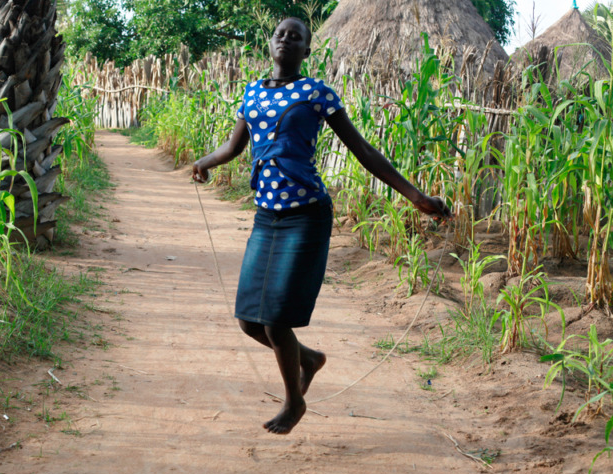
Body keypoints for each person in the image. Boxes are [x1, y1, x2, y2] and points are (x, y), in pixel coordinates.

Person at [192, 17, 451, 435]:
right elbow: (233, 146)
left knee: (276, 320)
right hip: (266, 216)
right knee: (248, 321)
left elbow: (363, 150)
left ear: (307, 50)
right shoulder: (253, 93)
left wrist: (416, 196)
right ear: (270, 43)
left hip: (306, 215)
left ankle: (294, 403)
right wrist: (203, 163)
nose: (287, 40)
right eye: (281, 34)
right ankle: (309, 360)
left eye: (297, 37)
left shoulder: (317, 94)